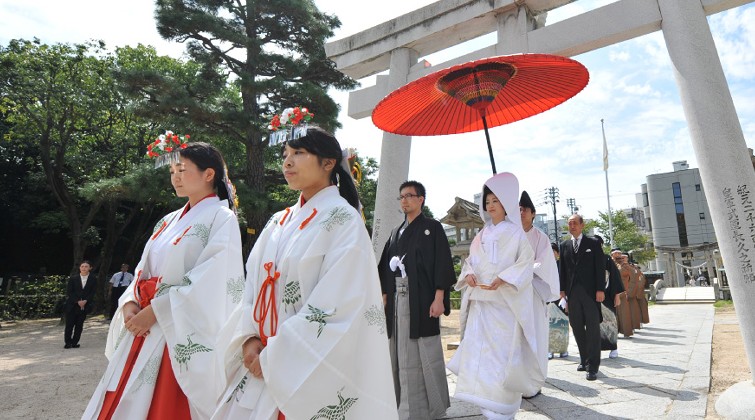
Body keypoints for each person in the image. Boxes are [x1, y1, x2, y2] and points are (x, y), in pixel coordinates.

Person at [214, 124, 397, 419]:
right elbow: (253, 286)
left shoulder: (344, 221)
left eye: (298, 153)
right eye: (285, 153)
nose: (287, 161)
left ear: (328, 163)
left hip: (298, 360)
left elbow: (338, 304)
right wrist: (249, 339)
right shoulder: (278, 221)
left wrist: (276, 353)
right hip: (260, 352)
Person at [83, 136, 244, 420]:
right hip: (146, 320)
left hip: (176, 326)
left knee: (165, 403)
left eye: (182, 170)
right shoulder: (167, 220)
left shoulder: (222, 217)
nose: (175, 178)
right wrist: (131, 300)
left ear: (209, 174)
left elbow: (213, 277)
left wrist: (156, 310)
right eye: (172, 172)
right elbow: (143, 269)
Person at [447, 172, 536, 419]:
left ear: (505, 203)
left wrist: (504, 278)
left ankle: (505, 405)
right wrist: (470, 275)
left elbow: (526, 263)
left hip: (504, 303)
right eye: (487, 201)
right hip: (482, 304)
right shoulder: (482, 234)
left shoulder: (516, 233)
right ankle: (486, 400)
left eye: (495, 200)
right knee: (480, 353)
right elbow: (471, 263)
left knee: (502, 353)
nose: (490, 205)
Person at [377, 180, 454, 419]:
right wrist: (384, 295)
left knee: (421, 352)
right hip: (397, 303)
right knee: (397, 352)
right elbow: (384, 268)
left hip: (421, 299)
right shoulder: (395, 233)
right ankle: (400, 407)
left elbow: (441, 262)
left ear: (421, 199)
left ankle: (425, 409)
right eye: (401, 197)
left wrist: (439, 297)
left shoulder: (433, 228)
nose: (404, 200)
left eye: (409, 196)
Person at [519, 191, 560, 398]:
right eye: (517, 210)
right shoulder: (511, 234)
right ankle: (516, 382)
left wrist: (521, 269)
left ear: (533, 214)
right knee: (516, 339)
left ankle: (534, 382)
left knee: (534, 337)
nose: (521, 213)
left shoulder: (540, 238)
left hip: (533, 292)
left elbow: (543, 265)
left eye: (524, 210)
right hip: (513, 294)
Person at [559, 214, 605, 381]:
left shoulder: (592, 243)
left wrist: (600, 289)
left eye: (574, 223)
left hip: (591, 293)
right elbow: (562, 270)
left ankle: (593, 366)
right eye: (569, 224)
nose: (572, 226)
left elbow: (600, 267)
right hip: (572, 293)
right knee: (577, 327)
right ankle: (584, 359)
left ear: (582, 225)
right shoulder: (564, 245)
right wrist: (562, 290)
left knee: (592, 328)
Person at [594, 236, 626, 359]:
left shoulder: (607, 258)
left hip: (607, 296)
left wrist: (617, 295)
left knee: (610, 322)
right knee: (593, 324)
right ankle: (594, 349)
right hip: (591, 297)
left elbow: (615, 278)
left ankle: (613, 347)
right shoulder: (586, 259)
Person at [64, 260, 97, 349]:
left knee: (79, 325)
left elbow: (93, 292)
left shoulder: (93, 279)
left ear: (90, 268)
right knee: (69, 325)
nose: (84, 268)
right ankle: (68, 342)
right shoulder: (73, 278)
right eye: (82, 266)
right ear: (79, 268)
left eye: (86, 266)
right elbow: (69, 292)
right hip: (72, 305)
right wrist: (77, 301)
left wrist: (86, 301)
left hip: (84, 306)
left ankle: (75, 342)